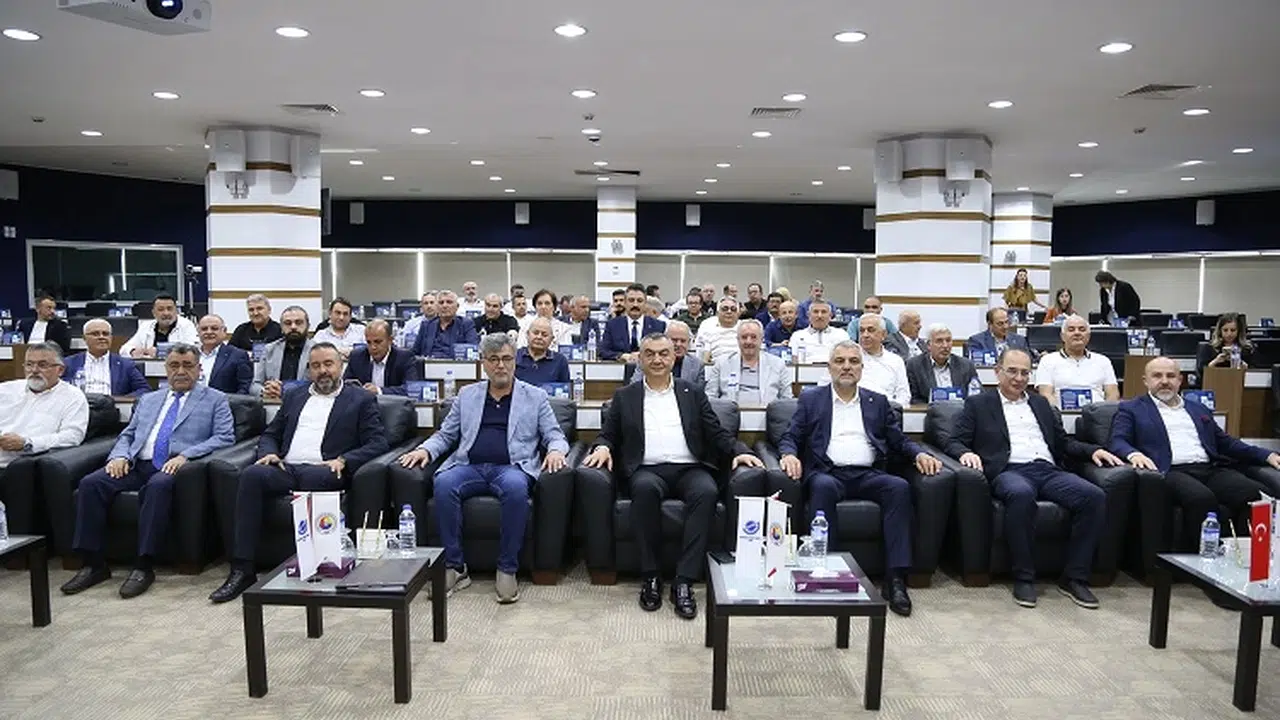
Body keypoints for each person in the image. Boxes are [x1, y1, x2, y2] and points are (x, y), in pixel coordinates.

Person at [582, 333, 762, 619]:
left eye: (663, 353)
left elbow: (715, 431)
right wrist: (602, 446)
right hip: (647, 470)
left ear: (674, 357)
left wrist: (739, 451)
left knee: (706, 491)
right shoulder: (625, 396)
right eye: (650, 354)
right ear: (640, 359)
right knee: (644, 490)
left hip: (690, 468)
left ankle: (684, 581)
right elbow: (609, 433)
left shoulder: (691, 392)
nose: (657, 359)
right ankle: (651, 576)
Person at [944, 348, 1123, 609]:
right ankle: (1024, 577)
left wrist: (1092, 450)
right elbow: (954, 441)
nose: (1019, 378)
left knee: (1093, 497)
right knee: (1021, 494)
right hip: (1009, 470)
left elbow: (1062, 443)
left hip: (1048, 470)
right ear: (997, 372)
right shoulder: (979, 404)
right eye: (1012, 371)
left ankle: (1074, 577)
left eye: (1025, 373)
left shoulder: (1040, 404)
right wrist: (966, 453)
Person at [210, 343, 389, 603]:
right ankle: (242, 569)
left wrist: (344, 460)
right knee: (252, 475)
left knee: (317, 478)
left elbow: (377, 443)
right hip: (286, 468)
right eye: (316, 366)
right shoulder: (295, 395)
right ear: (309, 370)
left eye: (328, 364)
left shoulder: (360, 399)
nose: (322, 370)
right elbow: (271, 434)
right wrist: (269, 453)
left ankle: (314, 566)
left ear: (341, 366)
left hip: (325, 470)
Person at [398, 333, 569, 603]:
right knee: (443, 483)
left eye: (507, 359)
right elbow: (446, 435)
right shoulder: (467, 395)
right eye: (494, 359)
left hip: (512, 467)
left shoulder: (535, 397)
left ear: (515, 361)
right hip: (469, 466)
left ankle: (507, 568)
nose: (501, 365)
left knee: (515, 488)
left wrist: (557, 450)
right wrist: (424, 450)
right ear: (483, 363)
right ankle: (455, 566)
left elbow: (554, 434)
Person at [777, 341, 942, 616]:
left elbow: (898, 440)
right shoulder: (811, 399)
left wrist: (918, 454)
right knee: (821, 487)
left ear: (862, 369)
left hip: (869, 474)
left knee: (899, 487)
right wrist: (789, 454)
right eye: (840, 361)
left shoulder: (877, 401)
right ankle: (826, 571)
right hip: (828, 473)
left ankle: (895, 579)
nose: (846, 367)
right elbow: (791, 435)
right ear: (829, 367)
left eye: (853, 362)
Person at [60, 344, 234, 598]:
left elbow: (224, 437)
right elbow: (128, 434)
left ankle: (143, 565)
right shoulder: (149, 399)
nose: (181, 371)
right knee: (91, 484)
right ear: (166, 369)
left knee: (157, 487)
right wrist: (120, 455)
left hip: (175, 466)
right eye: (174, 365)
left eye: (187, 365)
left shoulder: (215, 399)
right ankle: (93, 563)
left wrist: (186, 455)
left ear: (199, 369)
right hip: (136, 463)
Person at [1111, 356, 1280, 551]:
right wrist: (1133, 454)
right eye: (1157, 376)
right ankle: (1208, 557)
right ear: (1146, 381)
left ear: (1179, 380)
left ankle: (1244, 553)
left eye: (1170, 376)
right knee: (1201, 499)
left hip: (1209, 469)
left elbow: (1226, 442)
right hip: (1170, 470)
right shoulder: (1131, 409)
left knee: (1255, 495)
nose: (1164, 381)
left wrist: (1267, 455)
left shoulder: (1198, 408)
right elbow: (1117, 440)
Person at [0, 342, 89, 470]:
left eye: (42, 365)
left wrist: (27, 443)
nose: (34, 370)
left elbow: (72, 436)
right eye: (29, 364)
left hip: (23, 465)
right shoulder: (5, 390)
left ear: (60, 370)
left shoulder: (73, 397)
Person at [1034, 315, 1120, 407]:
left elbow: (1113, 394)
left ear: (1088, 336)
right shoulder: (1048, 360)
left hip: (1098, 413)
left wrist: (1105, 412)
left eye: (1082, 329)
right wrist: (1057, 413)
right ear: (1062, 336)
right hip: (1061, 413)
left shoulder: (1103, 361)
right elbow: (1045, 394)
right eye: (1071, 330)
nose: (1077, 333)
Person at [703, 320, 792, 404]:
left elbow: (787, 400)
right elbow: (710, 397)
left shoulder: (778, 364)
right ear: (738, 340)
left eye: (753, 337)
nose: (748, 341)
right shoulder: (722, 363)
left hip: (768, 413)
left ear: (762, 340)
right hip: (729, 413)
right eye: (744, 337)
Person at [63, 318, 150, 397]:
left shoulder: (125, 365)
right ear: (84, 338)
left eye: (105, 334)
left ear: (111, 337)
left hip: (112, 406)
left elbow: (144, 389)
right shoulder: (69, 363)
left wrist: (121, 400)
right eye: (95, 334)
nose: (101, 337)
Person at [906, 324, 979, 404]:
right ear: (928, 345)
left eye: (948, 340)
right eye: (939, 341)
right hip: (930, 410)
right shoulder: (914, 365)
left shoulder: (966, 365)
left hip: (961, 410)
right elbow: (914, 399)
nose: (945, 346)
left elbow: (977, 394)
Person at [344, 319, 420, 395]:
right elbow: (344, 386)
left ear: (390, 340)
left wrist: (379, 390)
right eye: (369, 342)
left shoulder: (404, 358)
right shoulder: (357, 357)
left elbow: (411, 390)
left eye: (377, 342)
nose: (373, 347)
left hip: (392, 402)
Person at [252, 306, 314, 399]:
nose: (293, 327)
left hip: (306, 401)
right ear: (281, 327)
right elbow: (255, 385)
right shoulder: (269, 350)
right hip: (274, 402)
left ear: (308, 326)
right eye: (288, 323)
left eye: (298, 322)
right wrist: (265, 391)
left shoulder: (317, 350)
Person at [854, 314, 911, 406]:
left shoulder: (896, 361)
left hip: (887, 409)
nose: (865, 335)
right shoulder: (850, 358)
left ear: (883, 334)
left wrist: (891, 409)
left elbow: (904, 395)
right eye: (862, 330)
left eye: (871, 330)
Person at [630, 320, 705, 389]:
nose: (678, 344)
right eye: (674, 340)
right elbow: (634, 388)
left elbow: (698, 394)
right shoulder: (648, 361)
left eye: (683, 341)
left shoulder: (697, 365)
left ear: (689, 342)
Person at [601, 283, 665, 362]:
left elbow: (663, 352)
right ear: (625, 303)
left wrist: (642, 355)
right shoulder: (612, 325)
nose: (635, 304)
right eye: (631, 300)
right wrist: (621, 356)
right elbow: (603, 351)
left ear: (645, 303)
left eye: (639, 301)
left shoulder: (658, 326)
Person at [120, 294, 198, 358]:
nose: (166, 313)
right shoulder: (146, 326)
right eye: (161, 309)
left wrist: (159, 351)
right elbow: (123, 350)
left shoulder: (186, 325)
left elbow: (193, 349)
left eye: (170, 309)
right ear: (153, 313)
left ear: (176, 311)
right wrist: (133, 351)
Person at [413, 290, 480, 360]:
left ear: (457, 306)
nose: (444, 306)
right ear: (437, 307)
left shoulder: (466, 324)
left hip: (455, 364)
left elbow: (472, 350)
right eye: (441, 303)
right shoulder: (426, 325)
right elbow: (415, 352)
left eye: (449, 302)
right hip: (429, 364)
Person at [194, 315, 252, 395]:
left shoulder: (238, 355)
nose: (209, 332)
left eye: (214, 328)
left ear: (224, 331)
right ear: (198, 332)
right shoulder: (191, 354)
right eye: (204, 329)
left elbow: (245, 387)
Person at [790, 300, 851, 365]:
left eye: (823, 312)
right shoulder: (797, 336)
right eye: (816, 312)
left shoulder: (841, 335)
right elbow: (793, 362)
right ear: (808, 315)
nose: (819, 316)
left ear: (830, 315)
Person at [515, 317, 571, 385]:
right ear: (527, 334)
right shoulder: (515, 356)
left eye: (544, 335)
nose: (539, 337)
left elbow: (565, 388)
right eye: (535, 333)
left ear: (552, 339)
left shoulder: (560, 361)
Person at [1196, 312, 1254, 377]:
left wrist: (1243, 365)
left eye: (1233, 330)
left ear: (1238, 331)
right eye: (1225, 330)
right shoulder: (1209, 348)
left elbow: (1255, 373)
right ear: (1220, 331)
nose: (1229, 334)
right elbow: (1201, 373)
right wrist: (1215, 361)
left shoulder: (1247, 349)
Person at [965, 308, 1032, 361]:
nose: (1005, 326)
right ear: (990, 324)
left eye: (1007, 322)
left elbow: (1028, 361)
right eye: (1000, 324)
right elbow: (975, 364)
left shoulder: (1020, 340)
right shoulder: (977, 341)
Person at [691, 297, 742, 365]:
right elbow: (700, 351)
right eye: (725, 309)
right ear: (718, 313)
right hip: (714, 365)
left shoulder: (744, 327)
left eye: (733, 309)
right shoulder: (707, 325)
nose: (729, 312)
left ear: (738, 313)